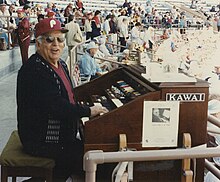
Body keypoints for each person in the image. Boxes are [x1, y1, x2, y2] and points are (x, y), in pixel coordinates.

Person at [16, 18, 108, 180]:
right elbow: (56, 106)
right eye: (49, 40)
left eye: (60, 39)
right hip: (41, 140)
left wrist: (86, 103)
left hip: (59, 137)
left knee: (90, 152)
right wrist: (89, 110)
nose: (56, 45)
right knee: (95, 160)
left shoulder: (60, 64)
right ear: (38, 44)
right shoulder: (35, 70)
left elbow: (68, 95)